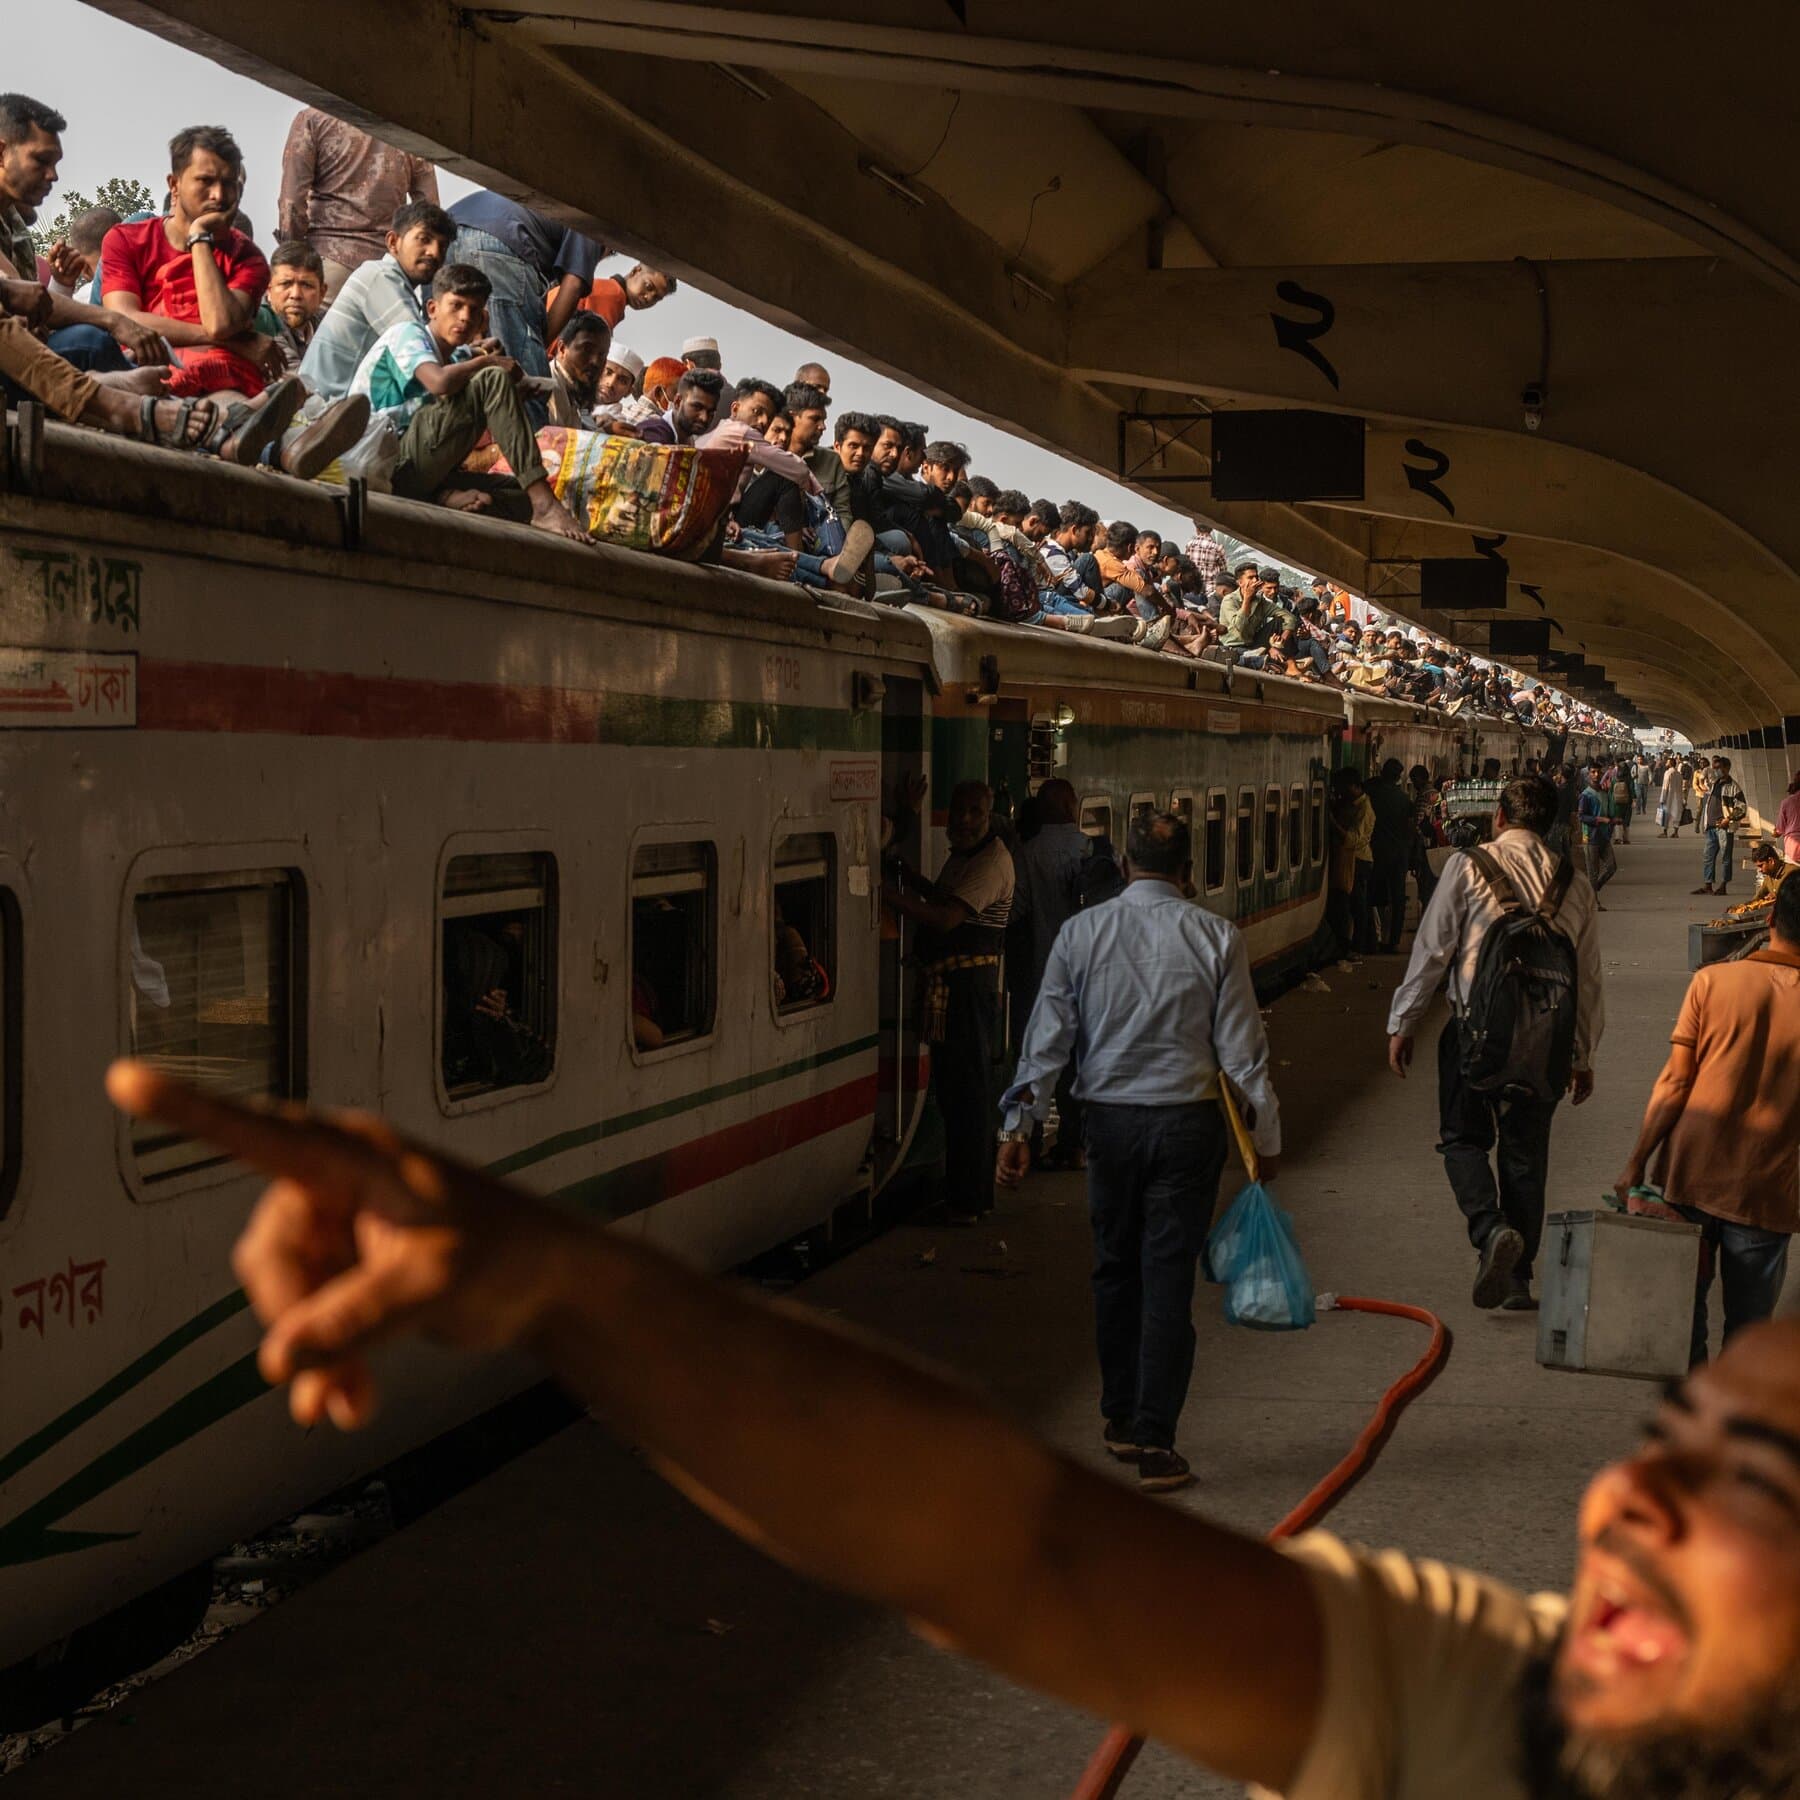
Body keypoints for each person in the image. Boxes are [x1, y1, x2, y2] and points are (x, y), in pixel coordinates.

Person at [102, 1049, 1800, 1800]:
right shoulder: (1503, 1713)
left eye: (1756, 1489)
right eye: (1669, 1431)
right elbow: (1014, 1543)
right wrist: (576, 1292)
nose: (1624, 1495)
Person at [999, 810, 1280, 1494]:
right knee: (1166, 1279)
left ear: (1124, 864)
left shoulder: (1081, 933)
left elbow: (1048, 1037)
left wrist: (1019, 1125)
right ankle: (1155, 1437)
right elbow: (1244, 1054)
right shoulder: (1216, 936)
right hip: (1187, 1128)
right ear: (1188, 869)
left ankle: (1120, 1417)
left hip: (1110, 1128)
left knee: (1113, 1269)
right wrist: (1265, 1139)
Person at [1388, 775, 1602, 1310]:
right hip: (1546, 1037)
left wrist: (1403, 1022)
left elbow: (1433, 951)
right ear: (1553, 823)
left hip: (1473, 1032)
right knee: (1526, 1156)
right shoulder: (1574, 882)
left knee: (1462, 1139)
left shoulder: (1469, 865)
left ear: (1499, 818)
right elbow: (1588, 977)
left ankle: (1489, 1229)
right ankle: (1517, 1281)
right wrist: (1583, 1054)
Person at [1616, 875, 1800, 1366]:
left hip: (1690, 1176)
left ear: (1769, 920)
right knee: (1747, 1334)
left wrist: (1637, 1161)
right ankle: (1726, 1426)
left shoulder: (1713, 981)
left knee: (1682, 1317)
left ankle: (1688, 1416)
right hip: (1766, 1191)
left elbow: (1675, 1083)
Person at [349, 261, 591, 542]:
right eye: (456, 306)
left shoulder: (457, 358)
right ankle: (544, 505)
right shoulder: (408, 334)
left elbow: (457, 420)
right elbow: (438, 381)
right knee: (491, 378)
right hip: (382, 464)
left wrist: (512, 395)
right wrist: (488, 361)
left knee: (517, 496)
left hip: (424, 472)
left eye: (474, 311)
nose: (464, 317)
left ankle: (442, 496)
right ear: (432, 309)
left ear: (482, 319)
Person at [880, 778, 1013, 1228]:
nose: (964, 819)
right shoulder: (965, 856)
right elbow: (940, 897)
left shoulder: (992, 862)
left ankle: (971, 1201)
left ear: (990, 813)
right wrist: (907, 873)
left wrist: (888, 896)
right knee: (955, 1095)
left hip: (969, 991)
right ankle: (961, 1194)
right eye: (958, 810)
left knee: (970, 1096)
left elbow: (945, 917)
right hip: (952, 988)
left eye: (975, 810)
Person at [100, 125, 274, 402]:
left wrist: (200, 239)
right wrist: (236, 342)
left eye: (229, 184)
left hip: (223, 382)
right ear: (174, 184)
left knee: (236, 407)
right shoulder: (125, 239)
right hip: (140, 377)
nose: (218, 195)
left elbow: (219, 323)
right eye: (206, 181)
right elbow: (124, 319)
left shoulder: (248, 258)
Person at [445, 189, 607, 419]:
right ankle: (528, 454)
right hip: (500, 242)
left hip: (447, 233)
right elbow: (573, 286)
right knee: (528, 387)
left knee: (456, 365)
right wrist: (534, 348)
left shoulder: (542, 201)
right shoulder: (595, 218)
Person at [1002, 778, 1092, 1169]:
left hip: (1043, 977)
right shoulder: (1094, 850)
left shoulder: (1029, 853)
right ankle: (1074, 1144)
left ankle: (1030, 1143)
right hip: (1089, 982)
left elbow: (1015, 909)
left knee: (1036, 1063)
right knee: (1078, 1066)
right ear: (1071, 808)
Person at [297, 199, 456, 399]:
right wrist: (476, 357)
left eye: (442, 247)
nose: (434, 252)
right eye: (424, 239)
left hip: (341, 408)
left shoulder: (398, 286)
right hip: (323, 410)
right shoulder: (380, 277)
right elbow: (423, 360)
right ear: (393, 242)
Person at [276, 108, 439, 297]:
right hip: (386, 271)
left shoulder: (313, 119)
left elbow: (291, 205)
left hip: (327, 266)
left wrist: (292, 261)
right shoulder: (409, 129)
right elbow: (430, 213)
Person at [1365, 758, 1418, 953]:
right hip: (1400, 853)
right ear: (1398, 777)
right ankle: (1393, 940)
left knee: (1371, 896)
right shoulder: (1404, 799)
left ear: (1382, 773)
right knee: (1397, 898)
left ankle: (1371, 938)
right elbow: (1411, 828)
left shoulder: (1373, 794)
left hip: (1377, 852)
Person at [254, 241, 326, 375]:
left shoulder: (327, 325)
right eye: (286, 284)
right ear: (268, 289)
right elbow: (297, 379)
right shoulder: (263, 322)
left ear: (322, 293)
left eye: (306, 285)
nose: (296, 295)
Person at [1326, 766, 1374, 960]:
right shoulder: (1351, 804)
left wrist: (1332, 823)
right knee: (1347, 904)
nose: (1339, 791)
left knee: (1356, 905)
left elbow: (1353, 839)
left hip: (1358, 861)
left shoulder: (1364, 809)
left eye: (1342, 787)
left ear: (1354, 786)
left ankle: (1358, 947)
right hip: (1348, 861)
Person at [543, 309, 612, 430]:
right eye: (587, 350)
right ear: (562, 348)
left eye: (602, 355)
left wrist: (609, 430)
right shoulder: (550, 386)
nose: (595, 361)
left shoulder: (574, 388)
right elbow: (557, 442)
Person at [1694, 755, 1748, 897]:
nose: (1715, 770)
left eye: (1718, 768)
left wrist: (1728, 819)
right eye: (1714, 768)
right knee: (1708, 856)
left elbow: (1742, 808)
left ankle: (1723, 885)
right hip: (1711, 827)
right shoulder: (1715, 784)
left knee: (1725, 856)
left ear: (1726, 768)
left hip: (1724, 828)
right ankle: (1708, 884)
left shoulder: (1733, 787)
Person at [574, 261, 674, 330]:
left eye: (656, 298)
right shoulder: (612, 295)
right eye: (648, 286)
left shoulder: (609, 290)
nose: (648, 298)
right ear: (635, 271)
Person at [635, 366, 723, 445]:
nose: (704, 418)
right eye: (697, 407)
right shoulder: (653, 435)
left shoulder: (688, 438)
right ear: (677, 401)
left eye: (711, 412)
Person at [1578, 765, 1618, 908]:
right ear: (1588, 775)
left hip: (1603, 836)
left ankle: (1593, 888)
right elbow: (1582, 816)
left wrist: (1612, 820)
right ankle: (1594, 902)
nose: (1595, 775)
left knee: (1611, 867)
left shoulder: (1604, 793)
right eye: (1593, 772)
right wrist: (1600, 820)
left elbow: (1607, 811)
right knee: (1592, 871)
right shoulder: (1586, 795)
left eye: (1598, 772)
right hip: (1590, 837)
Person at [1777, 767, 1800, 866]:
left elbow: (1779, 829)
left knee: (1792, 878)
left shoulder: (1786, 802)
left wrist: (1775, 833)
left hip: (1793, 846)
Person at [1659, 756, 1685, 837]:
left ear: (1670, 764)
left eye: (1667, 762)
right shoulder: (1679, 774)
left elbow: (1665, 786)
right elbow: (1681, 786)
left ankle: (1665, 832)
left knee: (1666, 814)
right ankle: (1676, 833)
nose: (1666, 763)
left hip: (1669, 797)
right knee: (1677, 814)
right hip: (1678, 797)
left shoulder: (1668, 773)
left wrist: (1662, 798)